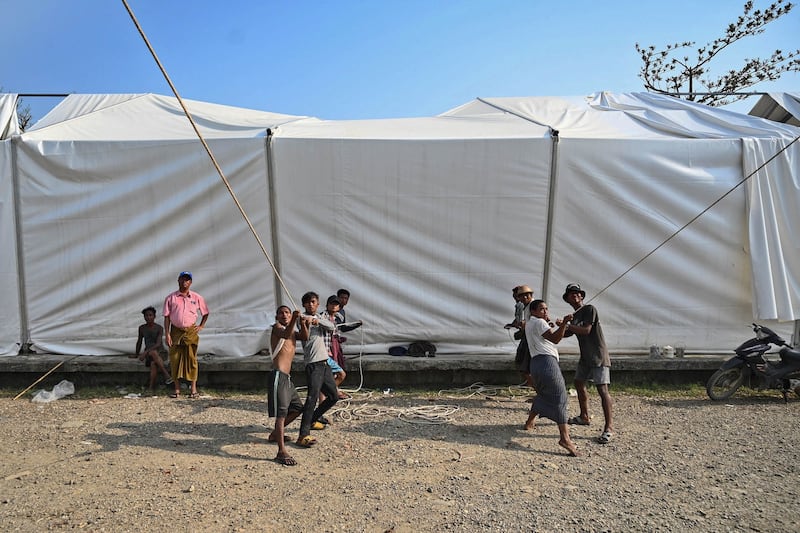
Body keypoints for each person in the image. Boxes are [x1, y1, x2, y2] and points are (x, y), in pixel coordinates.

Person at [523, 299, 579, 457]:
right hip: (547, 363)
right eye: (542, 309)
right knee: (560, 397)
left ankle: (529, 423)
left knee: (542, 394)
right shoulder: (539, 322)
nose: (545, 312)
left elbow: (553, 336)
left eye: (546, 309)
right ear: (533, 311)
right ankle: (565, 438)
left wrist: (562, 326)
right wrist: (564, 324)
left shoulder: (531, 323)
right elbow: (555, 339)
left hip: (536, 364)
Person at [562, 283, 614, 445]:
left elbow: (586, 330)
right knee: (578, 383)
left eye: (577, 293)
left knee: (602, 390)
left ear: (582, 297)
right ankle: (584, 416)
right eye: (571, 294)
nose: (575, 295)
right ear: (567, 299)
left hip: (598, 356)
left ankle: (609, 428)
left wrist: (567, 324)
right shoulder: (575, 315)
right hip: (585, 358)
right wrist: (557, 325)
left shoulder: (590, 309)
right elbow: (566, 334)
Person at [296, 291, 339, 447]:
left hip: (324, 362)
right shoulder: (300, 319)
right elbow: (304, 336)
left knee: (334, 396)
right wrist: (306, 322)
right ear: (304, 305)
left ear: (318, 304)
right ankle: (303, 434)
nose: (310, 304)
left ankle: (313, 419)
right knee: (312, 397)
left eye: (313, 302)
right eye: (307, 302)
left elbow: (331, 327)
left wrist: (315, 321)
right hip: (313, 363)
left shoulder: (320, 318)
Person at [266, 305, 304, 465]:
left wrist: (304, 322)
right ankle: (281, 451)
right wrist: (295, 318)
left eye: (287, 312)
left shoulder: (292, 331)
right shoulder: (277, 328)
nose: (284, 315)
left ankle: (275, 434)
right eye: (281, 313)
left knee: (297, 408)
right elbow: (286, 334)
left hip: (287, 378)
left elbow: (305, 336)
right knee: (281, 414)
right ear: (276, 317)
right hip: (278, 375)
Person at [163, 271, 209, 399]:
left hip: (190, 331)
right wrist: (167, 334)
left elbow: (205, 312)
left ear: (191, 282)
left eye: (187, 280)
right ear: (178, 280)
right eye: (182, 279)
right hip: (176, 331)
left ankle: (193, 389)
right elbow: (166, 317)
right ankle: (176, 389)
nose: (185, 282)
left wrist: (201, 326)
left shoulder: (196, 297)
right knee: (174, 359)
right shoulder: (171, 298)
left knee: (191, 359)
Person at [132, 306, 173, 391]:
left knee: (153, 359)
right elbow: (139, 341)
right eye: (146, 315)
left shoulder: (159, 328)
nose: (148, 317)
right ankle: (166, 376)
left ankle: (151, 387)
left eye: (150, 315)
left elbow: (158, 344)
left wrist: (145, 352)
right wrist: (136, 354)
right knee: (153, 359)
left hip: (160, 352)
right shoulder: (142, 328)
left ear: (154, 316)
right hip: (149, 354)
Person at [321, 295, 348, 402]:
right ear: (327, 305)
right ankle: (329, 392)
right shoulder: (323, 317)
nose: (334, 306)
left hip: (333, 347)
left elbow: (342, 329)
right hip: (324, 351)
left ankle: (330, 391)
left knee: (337, 373)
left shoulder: (338, 317)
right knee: (337, 373)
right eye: (332, 304)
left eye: (336, 304)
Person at [510, 285, 535, 388]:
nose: (523, 298)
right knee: (522, 361)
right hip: (528, 336)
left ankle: (533, 386)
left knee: (524, 363)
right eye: (521, 296)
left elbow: (540, 319)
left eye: (526, 295)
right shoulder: (525, 306)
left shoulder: (533, 305)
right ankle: (531, 384)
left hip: (532, 338)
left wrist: (524, 324)